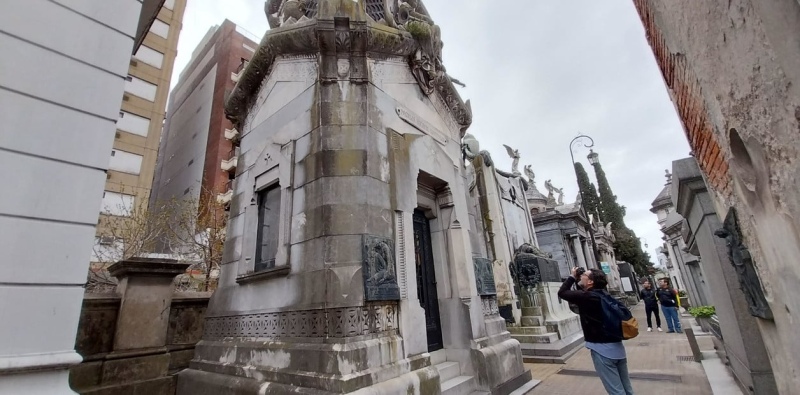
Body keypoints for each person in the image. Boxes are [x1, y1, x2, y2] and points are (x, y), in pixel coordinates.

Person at [559, 267, 634, 395]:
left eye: (584, 275)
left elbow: (562, 292)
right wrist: (578, 280)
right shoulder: (604, 295)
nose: (581, 276)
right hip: (617, 348)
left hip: (602, 350)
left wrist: (572, 277)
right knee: (627, 388)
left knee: (616, 391)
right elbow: (581, 295)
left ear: (590, 282)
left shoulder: (588, 297)